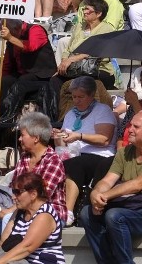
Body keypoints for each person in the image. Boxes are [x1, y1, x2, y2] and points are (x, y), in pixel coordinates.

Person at [80, 111, 142, 263]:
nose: (130, 129)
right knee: (86, 213)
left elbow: (137, 185)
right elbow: (107, 181)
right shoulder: (124, 153)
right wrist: (96, 194)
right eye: (130, 125)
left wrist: (105, 196)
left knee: (114, 216)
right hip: (132, 206)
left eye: (136, 127)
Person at [0, 112, 67, 252]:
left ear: (36, 138)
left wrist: (11, 210)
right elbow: (14, 189)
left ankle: (3, 259)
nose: (19, 139)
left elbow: (40, 196)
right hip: (22, 209)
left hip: (49, 214)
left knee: (9, 220)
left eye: (23, 135)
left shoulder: (53, 161)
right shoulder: (24, 158)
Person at [51, 76, 117, 225]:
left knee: (75, 164)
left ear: (91, 95)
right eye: (74, 97)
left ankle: (67, 211)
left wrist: (79, 136)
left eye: (81, 97)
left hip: (100, 155)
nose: (76, 100)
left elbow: (104, 139)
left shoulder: (102, 110)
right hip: (74, 154)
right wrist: (58, 136)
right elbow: (63, 143)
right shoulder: (70, 114)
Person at [0, 172, 64, 264]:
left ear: (33, 194)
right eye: (13, 192)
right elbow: (2, 243)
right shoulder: (19, 212)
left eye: (17, 192)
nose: (13, 197)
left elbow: (27, 248)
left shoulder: (45, 216)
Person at [53, 0, 116, 95]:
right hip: (76, 69)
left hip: (97, 69)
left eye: (88, 10)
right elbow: (68, 48)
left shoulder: (106, 29)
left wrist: (71, 59)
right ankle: (59, 109)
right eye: (84, 9)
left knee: (80, 83)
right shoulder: (79, 26)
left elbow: (95, 52)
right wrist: (64, 61)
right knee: (54, 80)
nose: (84, 12)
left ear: (98, 14)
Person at [0, 19, 57, 98]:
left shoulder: (35, 29)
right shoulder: (11, 39)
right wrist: (2, 77)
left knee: (23, 81)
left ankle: (15, 108)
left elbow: (31, 46)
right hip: (21, 72)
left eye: (11, 33)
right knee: (4, 82)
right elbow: (7, 63)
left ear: (16, 29)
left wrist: (10, 37)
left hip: (41, 74)